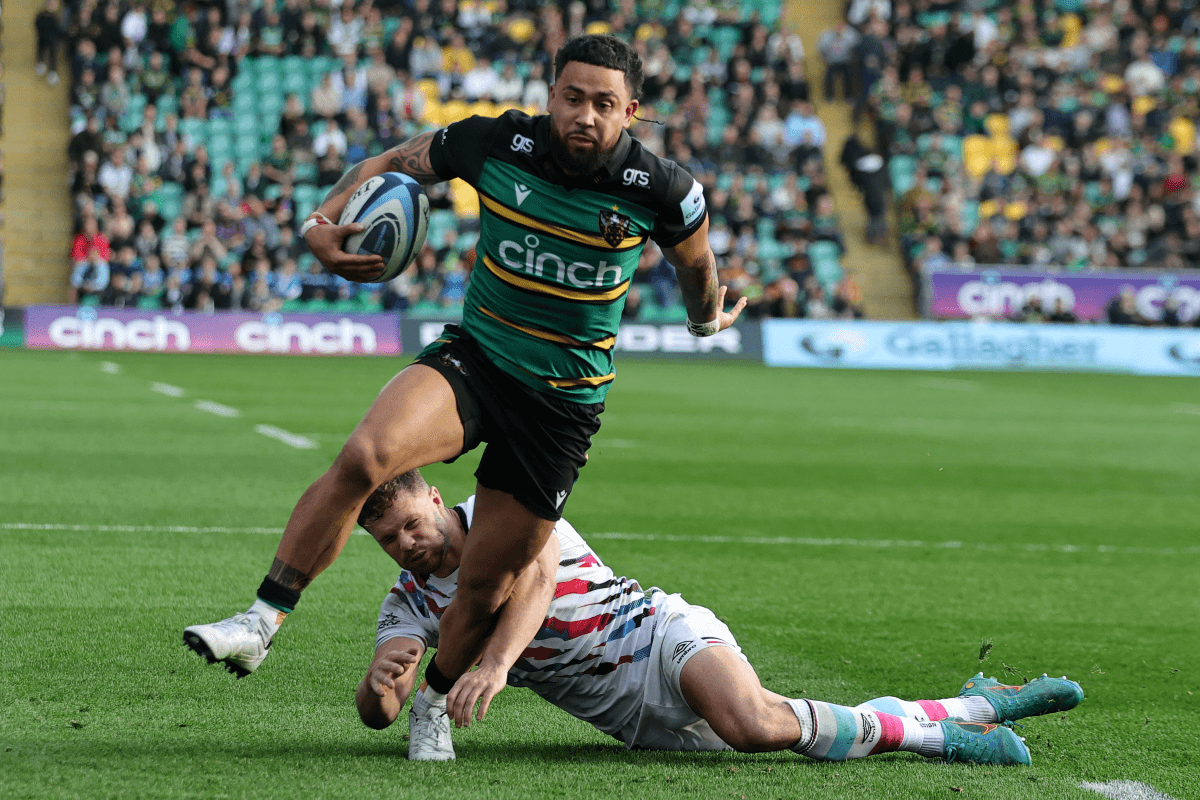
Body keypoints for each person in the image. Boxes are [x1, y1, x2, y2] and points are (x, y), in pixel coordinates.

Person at [183, 34, 748, 718]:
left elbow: (695, 264)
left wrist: (702, 320)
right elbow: (390, 160)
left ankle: (433, 700)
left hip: (560, 407)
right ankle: (259, 622)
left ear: (630, 110)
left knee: (484, 584)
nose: (585, 116)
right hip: (477, 358)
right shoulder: (496, 143)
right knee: (366, 456)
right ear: (550, 96)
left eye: (604, 104)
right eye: (572, 98)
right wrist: (320, 221)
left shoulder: (663, 189)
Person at [353, 471, 1083, 763]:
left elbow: (538, 576)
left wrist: (495, 663)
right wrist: (384, 685)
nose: (407, 544)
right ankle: (976, 702)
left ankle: (944, 741)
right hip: (632, 721)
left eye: (413, 524)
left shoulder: (502, 513)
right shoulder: (407, 600)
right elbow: (379, 712)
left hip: (655, 634)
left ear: (435, 496)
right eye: (388, 539)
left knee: (753, 723)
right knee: (786, 719)